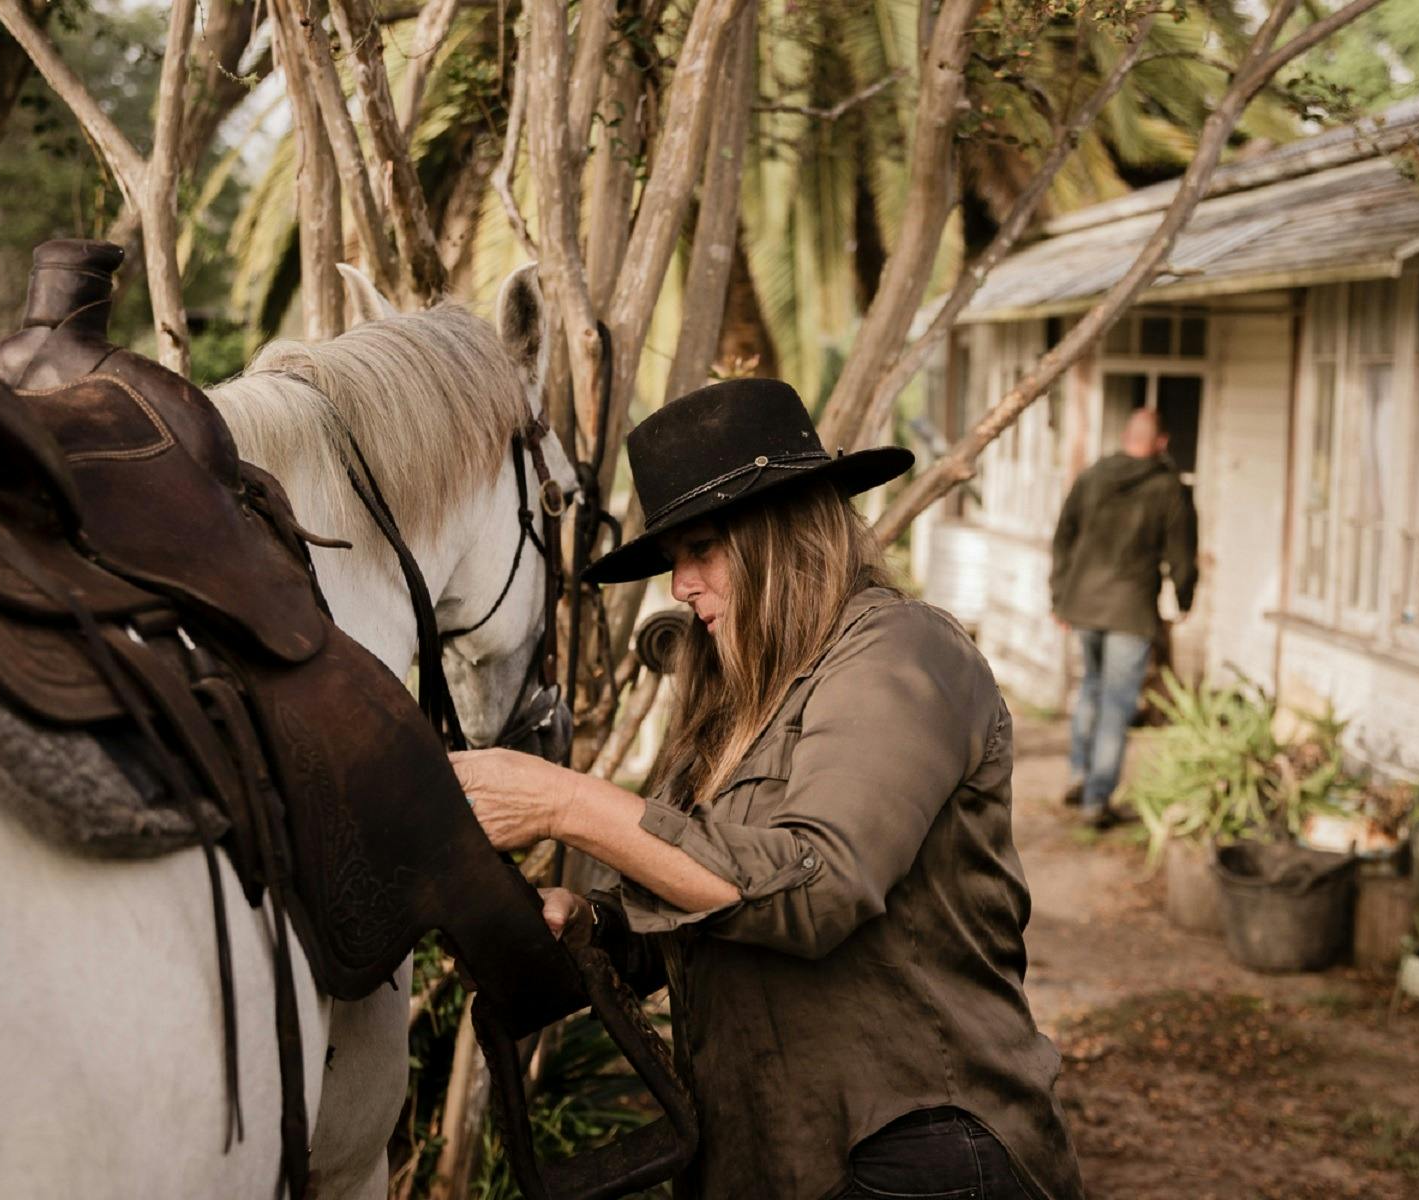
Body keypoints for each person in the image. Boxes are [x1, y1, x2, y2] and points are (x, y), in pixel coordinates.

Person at [452, 379, 1083, 1200]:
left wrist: (563, 804)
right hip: (775, 1156)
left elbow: (812, 886)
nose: (680, 585)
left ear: (783, 534)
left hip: (915, 1151)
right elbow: (700, 901)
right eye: (673, 559)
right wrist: (596, 927)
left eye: (702, 548)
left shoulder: (900, 653)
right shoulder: (733, 701)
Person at [1049, 407, 1198, 827]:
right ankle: (1097, 800)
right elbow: (1181, 554)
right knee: (1116, 705)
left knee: (1091, 690)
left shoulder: (1093, 476)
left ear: (1124, 436)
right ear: (1161, 442)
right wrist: (1185, 599)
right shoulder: (1170, 489)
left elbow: (1063, 536)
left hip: (1083, 604)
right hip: (1130, 612)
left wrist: (1060, 597)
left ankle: (1080, 775)